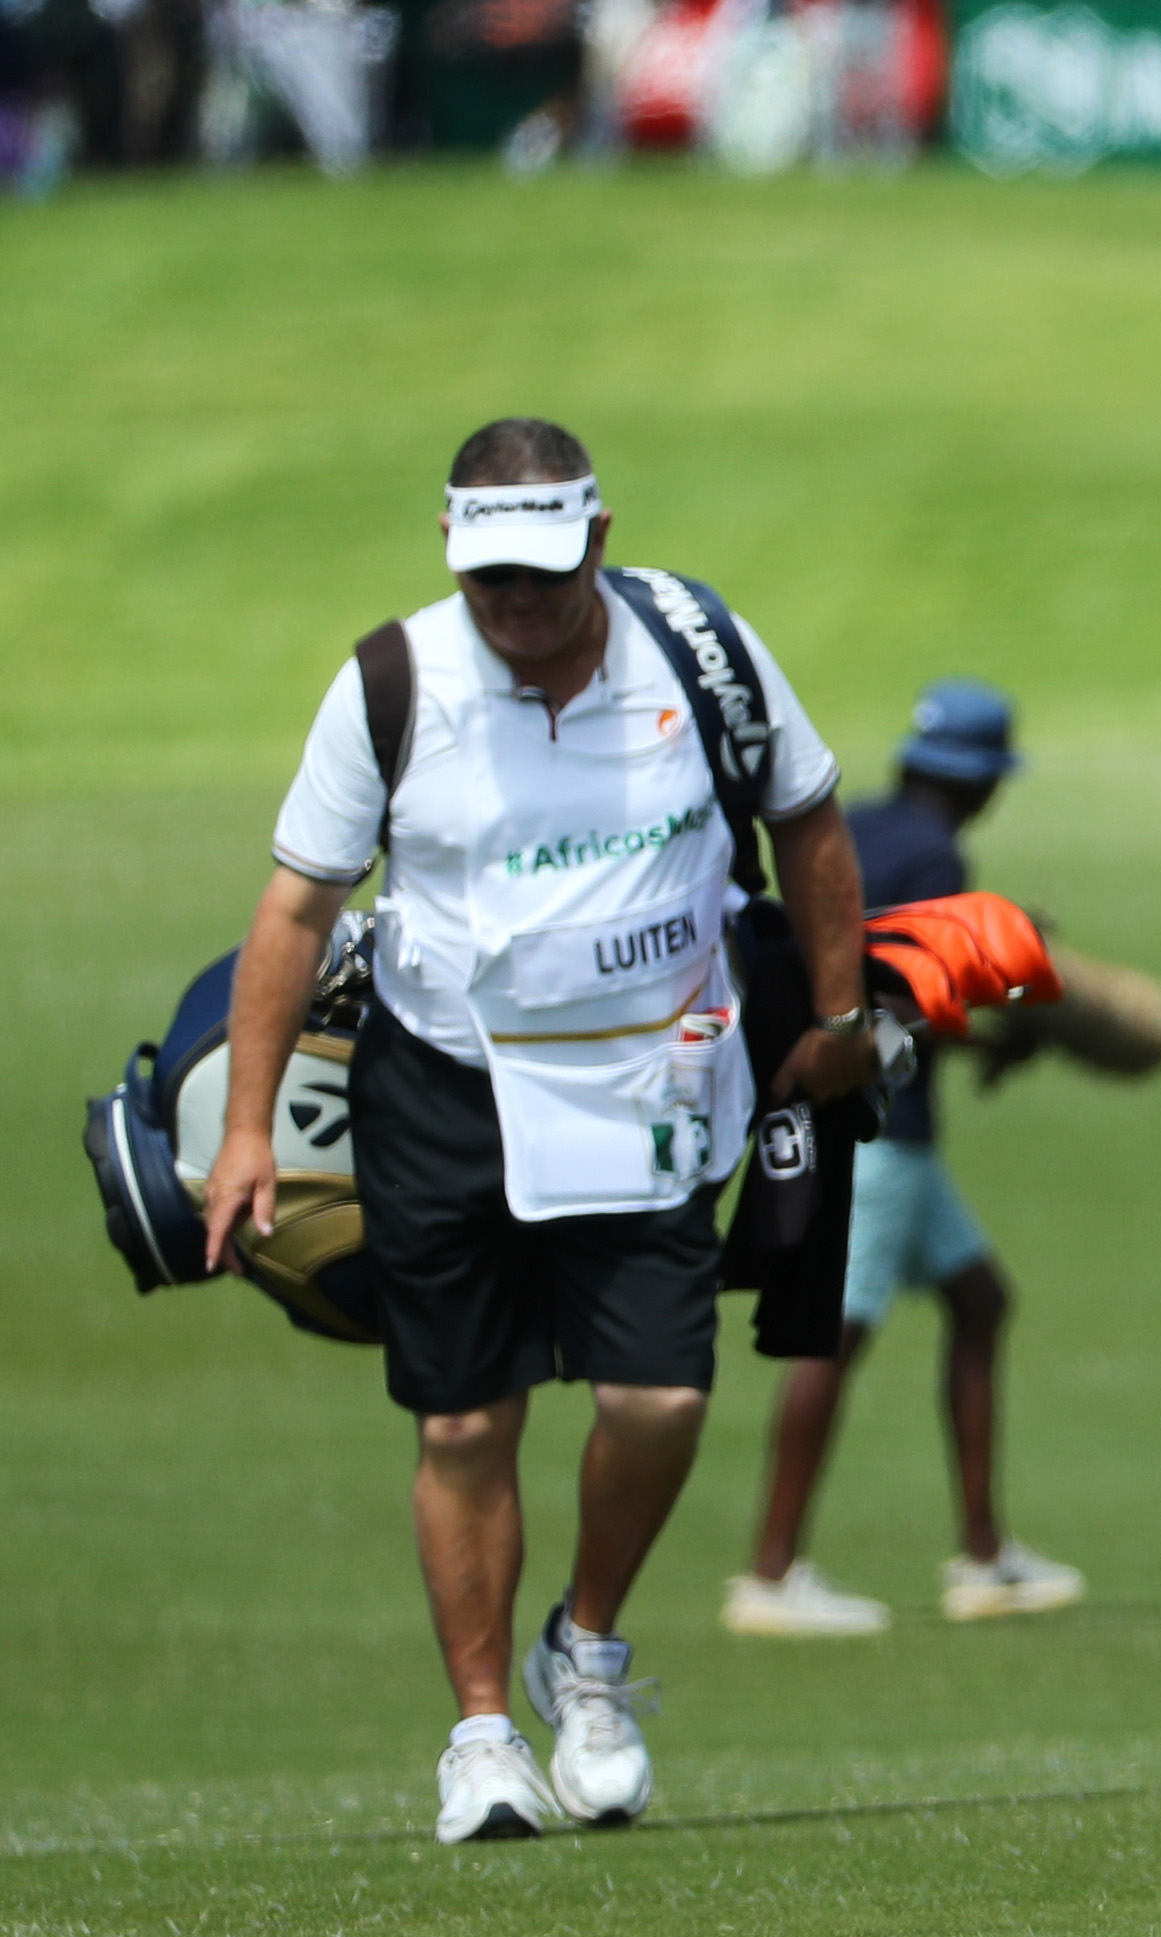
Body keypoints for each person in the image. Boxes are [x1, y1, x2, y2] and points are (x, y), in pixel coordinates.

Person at [205, 418, 877, 1845]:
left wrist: (835, 1015)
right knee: (463, 1417)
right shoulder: (394, 679)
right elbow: (296, 907)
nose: (516, 608)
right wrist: (247, 1127)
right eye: (489, 579)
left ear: (600, 540)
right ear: (452, 550)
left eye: (544, 578)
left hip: (652, 1085)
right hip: (444, 1086)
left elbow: (809, 823)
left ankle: (586, 1651)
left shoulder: (699, 652)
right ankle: (480, 1735)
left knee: (657, 1401)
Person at [726, 682, 1086, 1635]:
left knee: (980, 1299)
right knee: (836, 1336)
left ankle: (984, 1557)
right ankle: (772, 1574)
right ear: (984, 784)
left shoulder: (858, 825)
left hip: (857, 1115)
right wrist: (1006, 1039)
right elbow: (902, 995)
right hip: (873, 1128)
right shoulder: (934, 854)